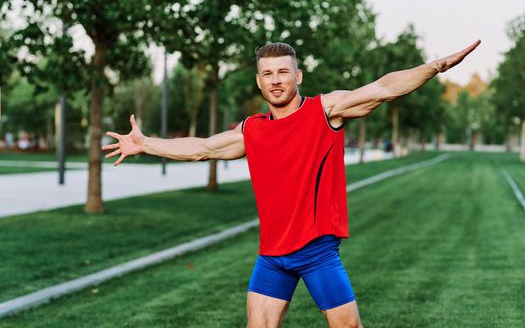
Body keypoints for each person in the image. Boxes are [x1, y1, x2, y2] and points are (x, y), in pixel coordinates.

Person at [102, 40, 480, 328]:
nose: (276, 80)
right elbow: (202, 148)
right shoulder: (252, 130)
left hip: (317, 253)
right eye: (268, 74)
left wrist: (434, 67)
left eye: (283, 72)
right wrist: (146, 143)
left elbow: (381, 88)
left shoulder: (325, 111)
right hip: (272, 256)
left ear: (297, 75)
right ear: (259, 81)